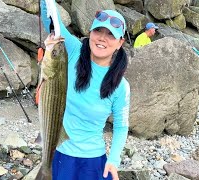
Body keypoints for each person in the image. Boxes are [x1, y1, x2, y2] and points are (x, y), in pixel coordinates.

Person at [40, 0, 130, 179]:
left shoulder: (121, 86)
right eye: (98, 31)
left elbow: (121, 126)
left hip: (94, 160)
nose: (102, 38)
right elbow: (49, 16)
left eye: (110, 35)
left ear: (120, 43)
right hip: (61, 154)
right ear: (90, 33)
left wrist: (113, 160)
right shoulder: (73, 50)